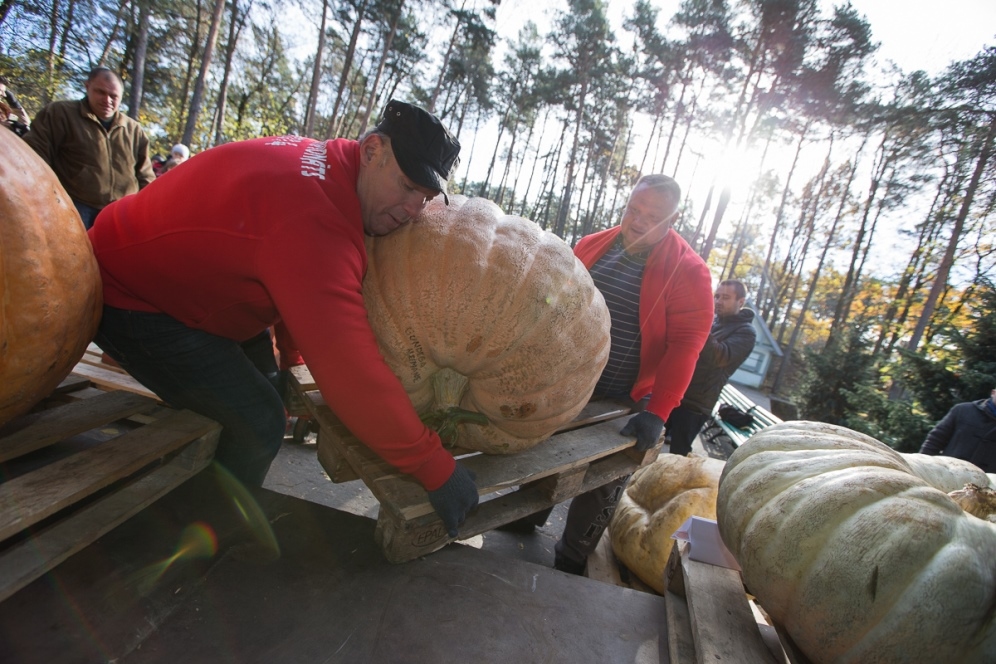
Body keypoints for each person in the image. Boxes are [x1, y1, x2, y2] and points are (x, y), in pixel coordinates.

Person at [87, 99, 479, 538]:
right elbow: (351, 374)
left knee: (267, 388)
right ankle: (195, 541)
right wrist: (436, 469)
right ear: (372, 151)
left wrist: (292, 357)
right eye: (407, 186)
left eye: (424, 198)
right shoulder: (314, 223)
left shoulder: (329, 167)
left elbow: (293, 284)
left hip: (190, 284)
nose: (413, 210)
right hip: (129, 295)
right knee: (259, 422)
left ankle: (208, 479)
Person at [505, 174, 714, 574]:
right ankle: (527, 514)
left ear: (674, 218)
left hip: (628, 394)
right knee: (544, 446)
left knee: (603, 475)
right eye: (634, 209)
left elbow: (686, 345)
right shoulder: (594, 244)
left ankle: (573, 551)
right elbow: (560, 296)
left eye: (652, 216)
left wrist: (660, 410)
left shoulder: (690, 271)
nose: (637, 221)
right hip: (570, 377)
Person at [24, 66, 155, 229]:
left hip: (120, 213)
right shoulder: (61, 114)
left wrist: (148, 209)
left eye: (113, 96)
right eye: (101, 92)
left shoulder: (134, 130)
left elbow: (145, 175)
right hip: (73, 207)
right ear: (87, 87)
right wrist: (45, 197)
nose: (107, 100)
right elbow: (34, 155)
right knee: (73, 254)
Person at [666, 279, 757, 456]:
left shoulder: (746, 332)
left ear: (740, 302)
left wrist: (700, 326)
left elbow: (720, 357)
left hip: (696, 403)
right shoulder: (716, 322)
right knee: (650, 439)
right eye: (717, 296)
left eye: (725, 297)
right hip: (677, 392)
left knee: (678, 454)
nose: (718, 302)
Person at [919, 388, 996, 472]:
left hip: (987, 481)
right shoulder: (963, 410)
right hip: (949, 473)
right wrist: (923, 465)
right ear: (993, 393)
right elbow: (935, 439)